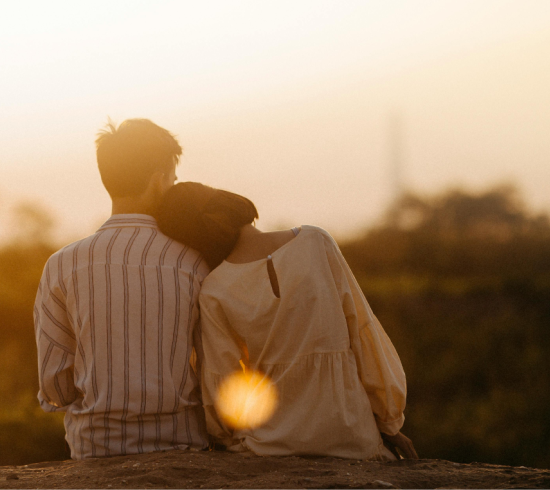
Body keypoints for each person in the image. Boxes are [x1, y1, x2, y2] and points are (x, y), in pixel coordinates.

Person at [156, 182, 418, 461]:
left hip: (269, 443)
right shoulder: (316, 242)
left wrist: (224, 437)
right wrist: (389, 422)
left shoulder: (213, 290)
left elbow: (223, 382)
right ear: (230, 201)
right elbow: (363, 332)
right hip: (351, 435)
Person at [33, 119, 210, 459]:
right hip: (182, 444)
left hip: (96, 448)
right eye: (172, 179)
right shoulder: (194, 262)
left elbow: (54, 385)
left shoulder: (62, 264)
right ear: (160, 180)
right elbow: (214, 366)